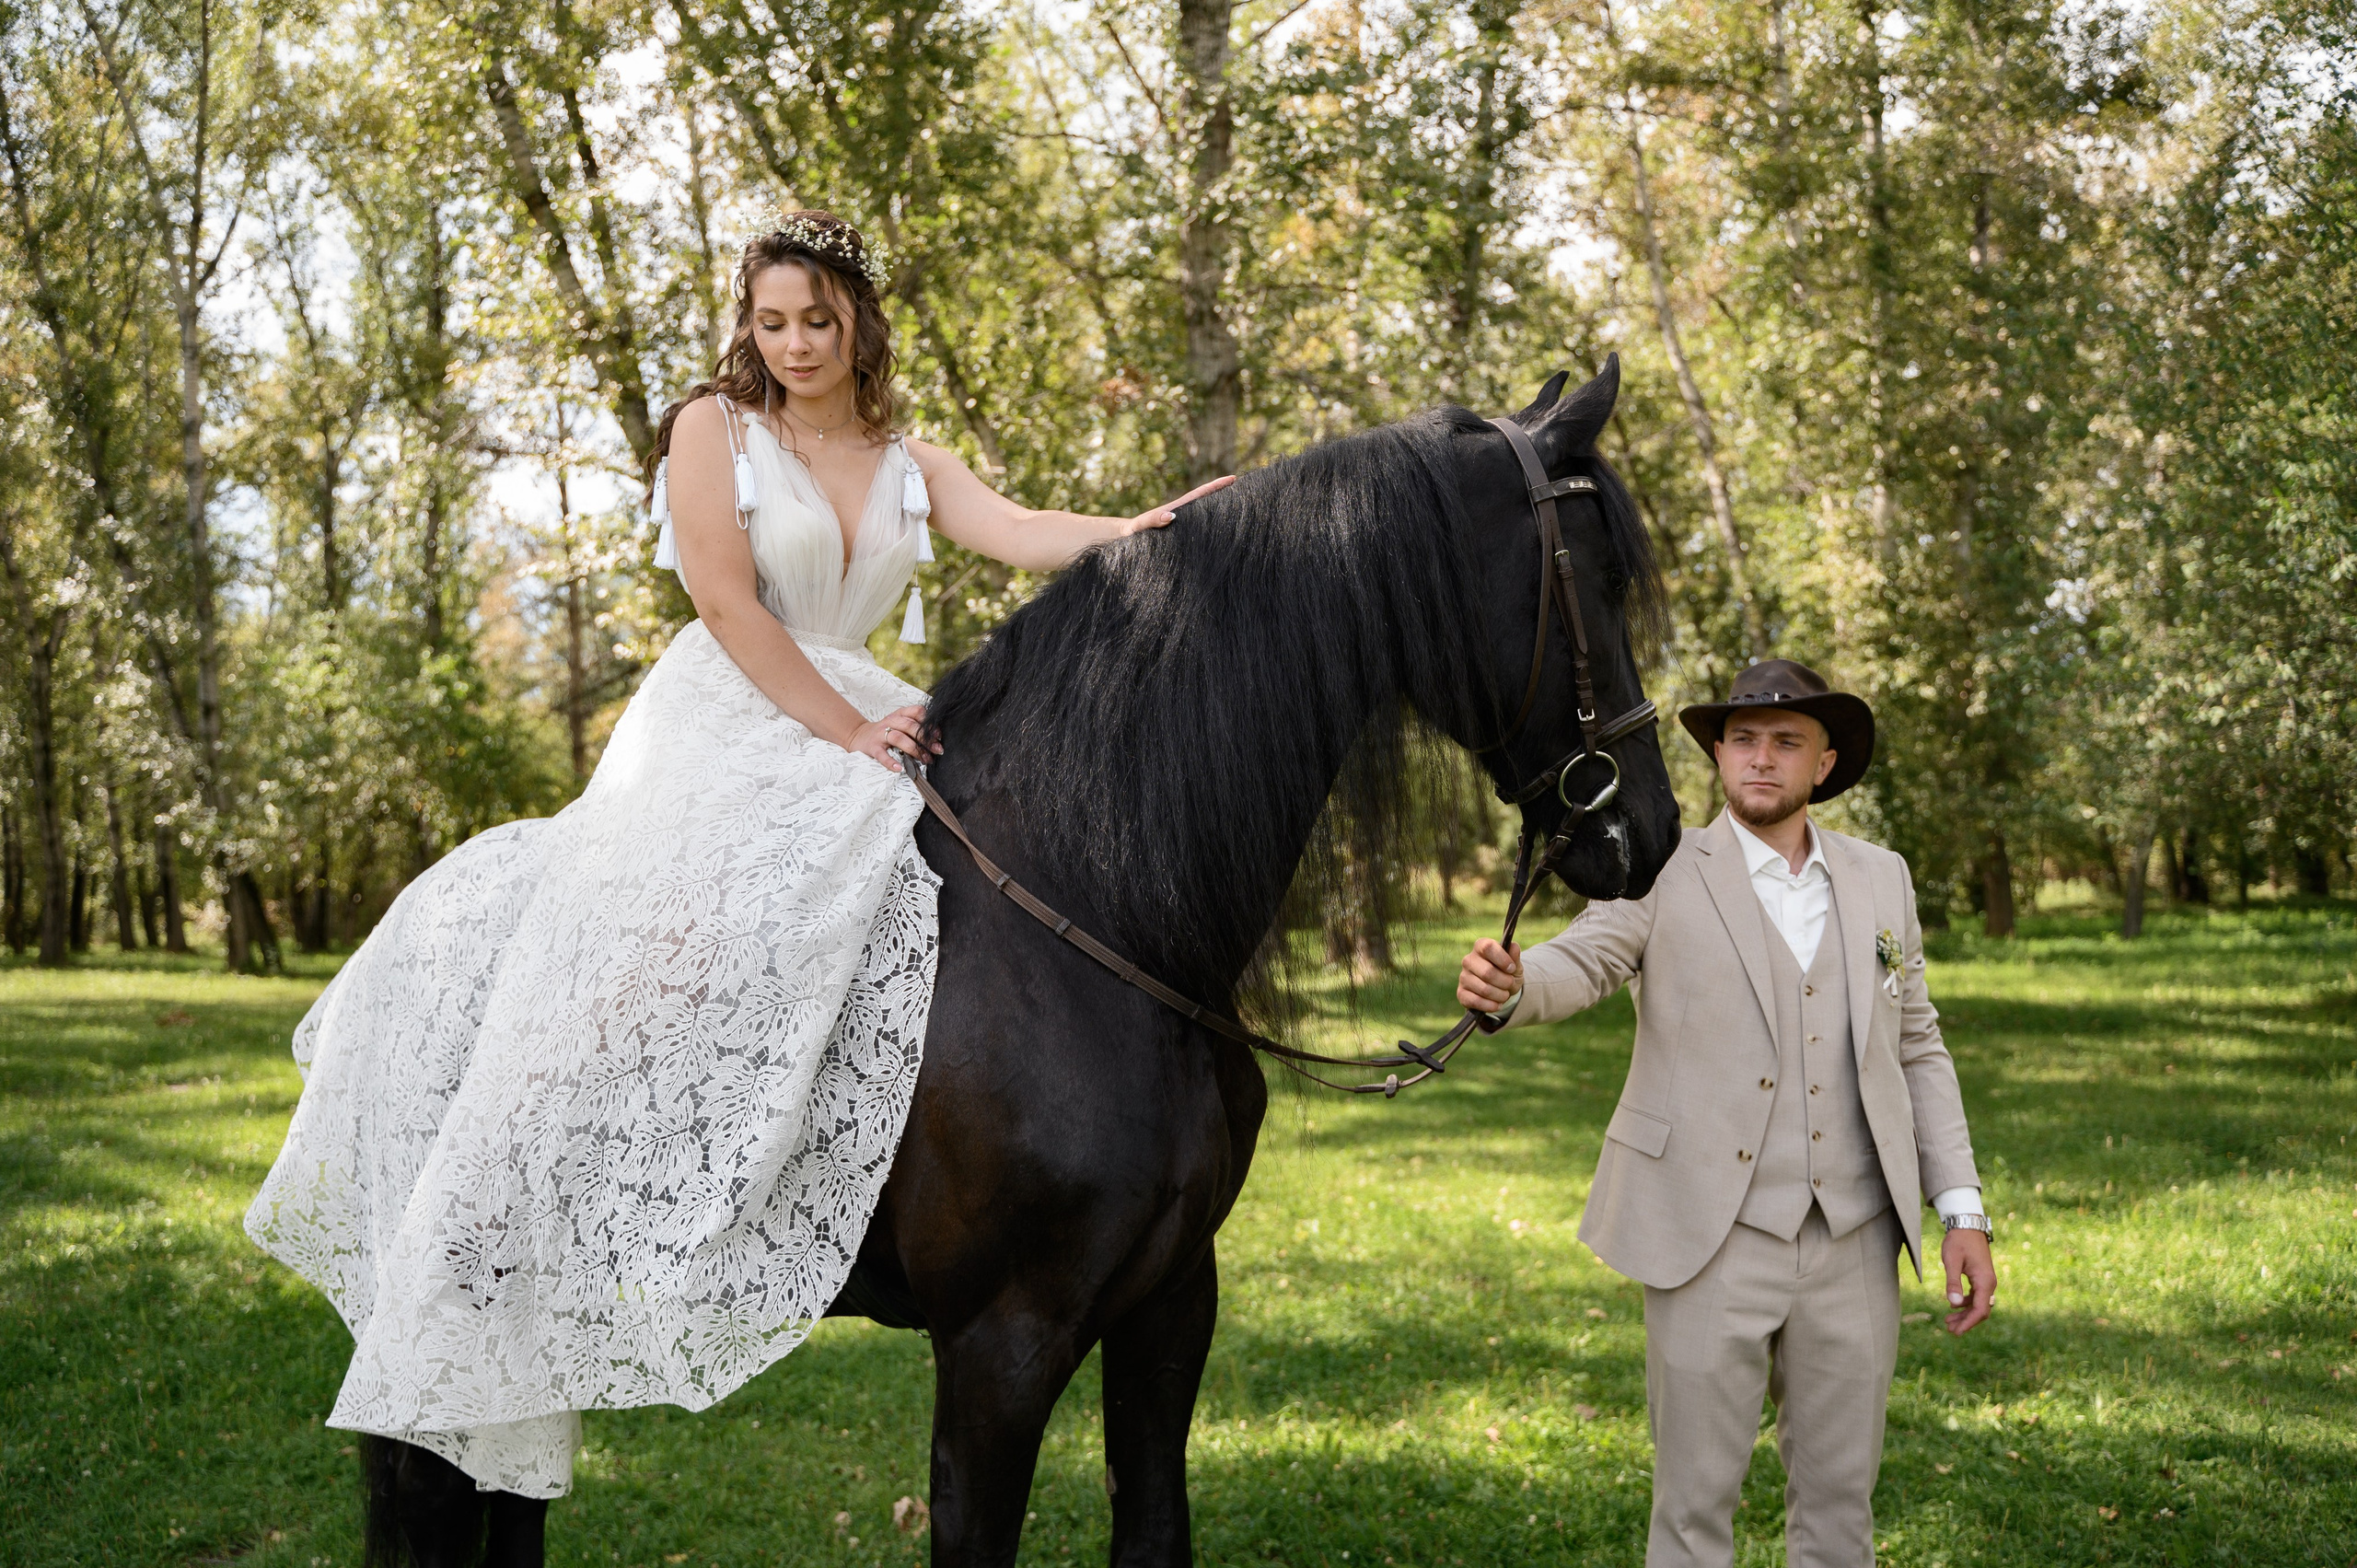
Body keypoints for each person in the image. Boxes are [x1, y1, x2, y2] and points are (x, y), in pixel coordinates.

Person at [245, 209, 1231, 1501]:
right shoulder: (712, 430)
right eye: (772, 320)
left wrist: (1155, 525)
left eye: (819, 319)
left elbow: (1027, 528)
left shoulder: (909, 458)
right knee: (701, 920)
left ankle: (866, 1161)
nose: (796, 343)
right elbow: (722, 599)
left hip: (870, 709)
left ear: (858, 321)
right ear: (748, 325)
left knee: (952, 908)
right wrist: (843, 730)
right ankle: (562, 1165)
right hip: (737, 707)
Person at [1456, 658, 1997, 1568]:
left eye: (1786, 741)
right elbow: (1585, 956)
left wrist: (1963, 1210)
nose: (1760, 757)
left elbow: (1918, 1046)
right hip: (1707, 1235)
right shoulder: (1661, 866)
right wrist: (1512, 985)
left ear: (1824, 762)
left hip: (1854, 1237)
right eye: (1742, 739)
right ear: (1718, 754)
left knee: (1841, 1511)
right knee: (1692, 1512)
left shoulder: (1882, 877)